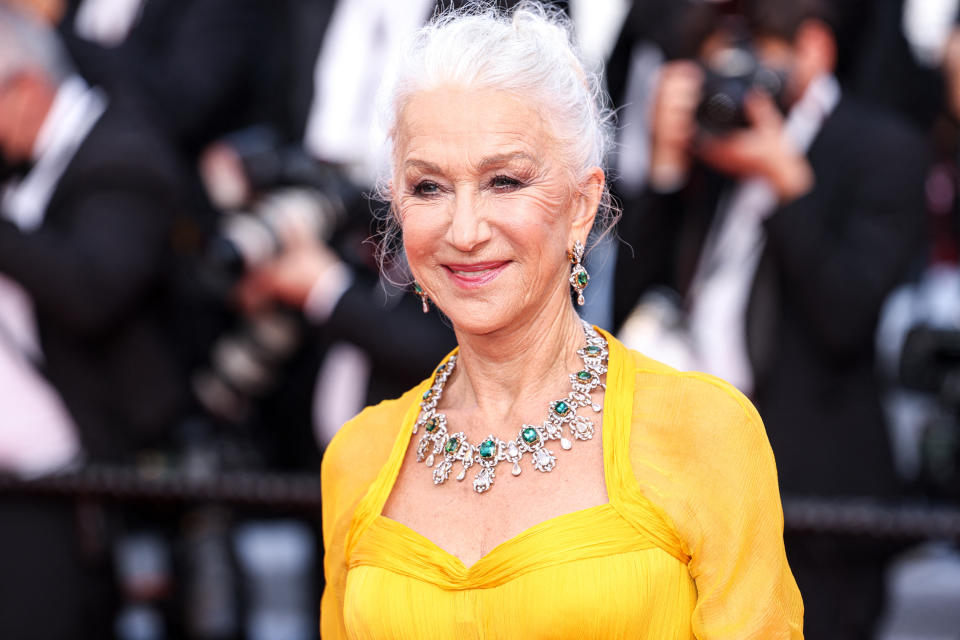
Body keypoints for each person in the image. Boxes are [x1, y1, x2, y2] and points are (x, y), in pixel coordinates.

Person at [319, 3, 803, 638]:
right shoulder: (358, 455)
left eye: (505, 182)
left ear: (582, 206)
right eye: (429, 188)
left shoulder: (704, 432)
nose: (464, 231)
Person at [613, 0, 928, 636]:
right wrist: (668, 172)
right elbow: (628, 307)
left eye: (756, 59)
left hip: (818, 509)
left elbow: (846, 317)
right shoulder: (711, 142)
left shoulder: (881, 148)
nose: (734, 81)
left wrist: (786, 183)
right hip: (687, 485)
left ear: (814, 52)